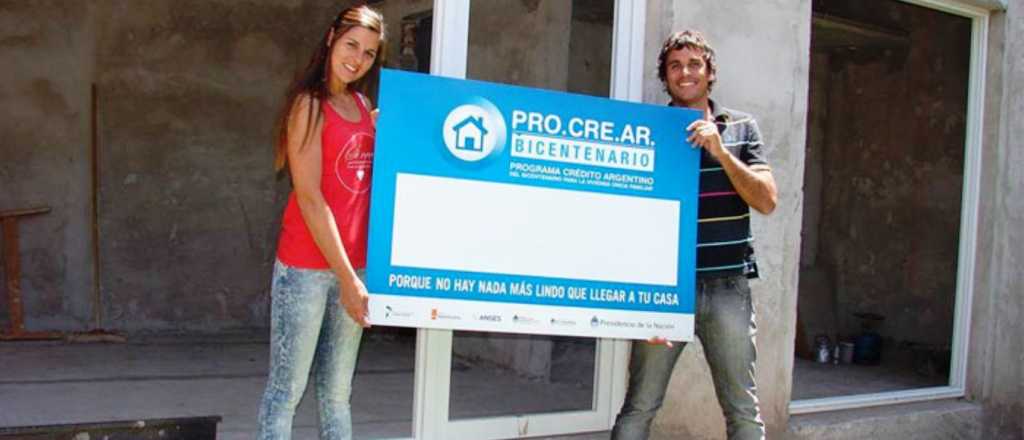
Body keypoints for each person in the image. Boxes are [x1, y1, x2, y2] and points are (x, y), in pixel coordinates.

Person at [611, 30, 778, 440]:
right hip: (666, 289)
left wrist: (721, 152)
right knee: (639, 406)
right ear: (665, 76)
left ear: (709, 72)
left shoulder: (741, 127)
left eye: (693, 64)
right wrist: (640, 301)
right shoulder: (650, 130)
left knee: (743, 411)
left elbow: (767, 200)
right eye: (675, 66)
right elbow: (628, 213)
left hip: (727, 287)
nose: (684, 73)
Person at [256, 5, 385, 440]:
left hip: (355, 268)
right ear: (331, 39)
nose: (357, 58)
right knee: (286, 392)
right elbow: (311, 199)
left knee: (337, 395)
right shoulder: (309, 106)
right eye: (351, 45)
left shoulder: (362, 105)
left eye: (369, 52)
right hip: (306, 269)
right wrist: (348, 280)